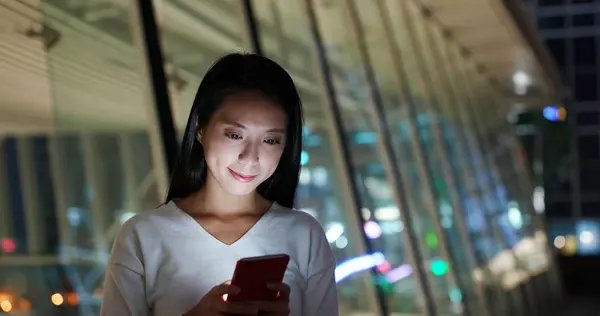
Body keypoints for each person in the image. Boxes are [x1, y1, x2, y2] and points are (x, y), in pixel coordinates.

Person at [100, 53, 338, 316]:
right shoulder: (143, 236)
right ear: (200, 128)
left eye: (270, 140)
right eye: (235, 135)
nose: (250, 157)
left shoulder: (304, 235)